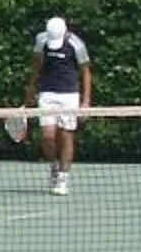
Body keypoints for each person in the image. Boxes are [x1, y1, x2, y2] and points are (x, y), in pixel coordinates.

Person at [24, 12, 93, 196]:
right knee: (47, 136)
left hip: (69, 95)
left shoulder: (76, 44)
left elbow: (86, 72)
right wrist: (31, 88)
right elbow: (36, 65)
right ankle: (54, 166)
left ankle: (63, 177)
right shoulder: (41, 40)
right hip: (47, 93)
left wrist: (86, 102)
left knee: (66, 136)